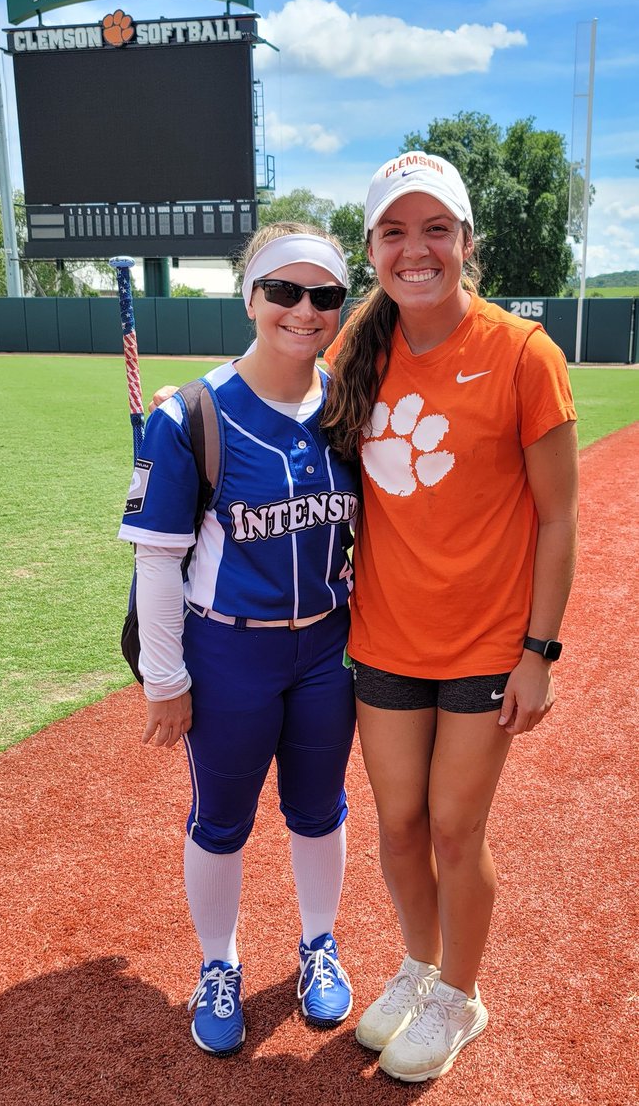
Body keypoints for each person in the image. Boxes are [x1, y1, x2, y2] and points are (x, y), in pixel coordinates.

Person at [321, 151, 579, 1083]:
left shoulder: (524, 354)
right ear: (373, 248)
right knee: (397, 828)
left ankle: (461, 996)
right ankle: (421, 967)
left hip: (483, 647)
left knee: (454, 830)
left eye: (436, 229)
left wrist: (539, 653)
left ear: (467, 242)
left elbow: (558, 516)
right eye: (394, 231)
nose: (415, 249)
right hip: (384, 639)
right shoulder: (356, 346)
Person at [118, 223, 359, 1057]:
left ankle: (317, 944)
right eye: (283, 292)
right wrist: (163, 678)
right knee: (220, 819)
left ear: (340, 307)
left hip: (327, 648)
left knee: (318, 810)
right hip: (229, 654)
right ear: (250, 297)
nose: (303, 310)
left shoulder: (351, 407)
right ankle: (218, 963)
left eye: (323, 295)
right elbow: (158, 558)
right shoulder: (190, 414)